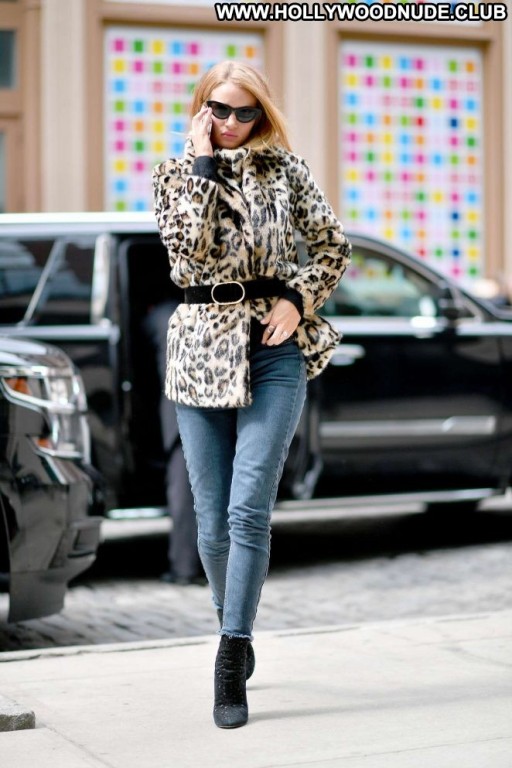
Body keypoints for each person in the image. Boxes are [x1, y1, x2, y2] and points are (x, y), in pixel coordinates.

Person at [152, 60, 351, 729]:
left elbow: (332, 246)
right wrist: (203, 167)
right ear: (202, 108)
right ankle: (231, 620)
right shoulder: (174, 174)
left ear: (261, 114)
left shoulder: (285, 170)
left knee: (247, 510)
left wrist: (298, 298)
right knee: (211, 524)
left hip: (273, 349)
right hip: (200, 351)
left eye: (246, 112)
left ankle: (230, 653)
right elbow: (187, 255)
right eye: (221, 109)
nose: (233, 122)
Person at [142, 299, 206, 586]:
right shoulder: (215, 310)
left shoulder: (159, 315)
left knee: (185, 493)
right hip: (216, 410)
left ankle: (184, 567)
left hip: (180, 414)